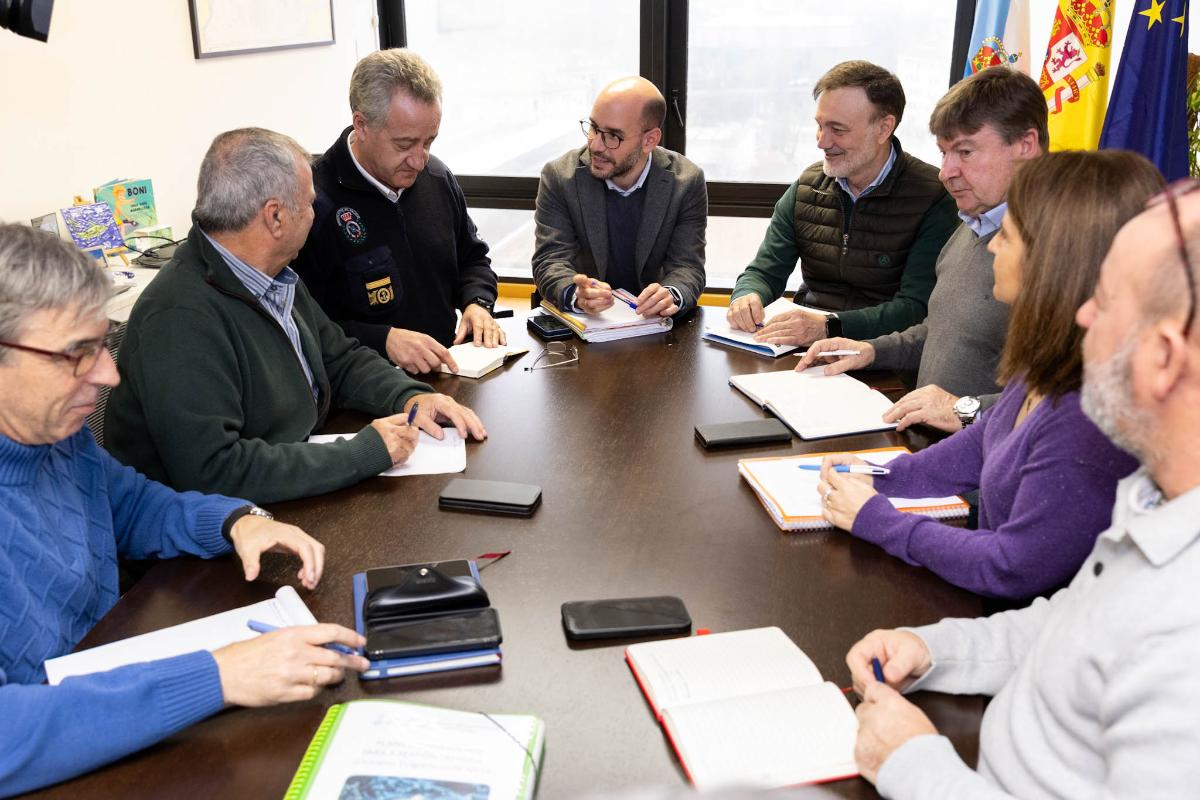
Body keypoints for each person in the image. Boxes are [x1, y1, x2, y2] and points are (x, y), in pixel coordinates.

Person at [843, 178, 1200, 799]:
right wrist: (935, 648)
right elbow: (1072, 630)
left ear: (1164, 358)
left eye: (1105, 298)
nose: (1081, 313)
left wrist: (912, 763)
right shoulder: (1154, 498)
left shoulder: (1184, 634)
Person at [0, 224, 368, 795]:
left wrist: (233, 521)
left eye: (101, 346)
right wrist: (220, 675)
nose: (108, 375)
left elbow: (127, 504)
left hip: (107, 697)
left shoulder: (57, 438)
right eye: (77, 353)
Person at [816, 151, 1158, 601]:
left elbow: (1011, 567)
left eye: (1008, 236)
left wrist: (878, 519)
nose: (993, 246)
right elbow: (984, 442)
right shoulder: (1050, 361)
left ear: (1054, 262)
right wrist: (879, 475)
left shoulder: (1086, 414)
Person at [105, 128, 486, 505]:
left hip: (287, 482)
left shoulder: (273, 275)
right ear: (275, 217)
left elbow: (340, 358)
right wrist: (360, 453)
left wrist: (411, 397)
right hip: (209, 530)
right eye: (309, 204)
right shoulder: (179, 317)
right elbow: (214, 470)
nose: (315, 215)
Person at [798, 66, 1046, 432]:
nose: (946, 172)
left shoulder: (1059, 250)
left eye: (965, 152)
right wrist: (872, 351)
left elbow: (1069, 399)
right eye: (944, 153)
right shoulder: (968, 227)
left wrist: (965, 410)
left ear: (1025, 145)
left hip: (986, 458)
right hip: (929, 444)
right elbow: (943, 332)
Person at [294, 49, 503, 374]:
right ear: (362, 125)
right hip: (364, 386)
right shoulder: (312, 202)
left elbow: (472, 259)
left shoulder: (437, 177)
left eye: (429, 142)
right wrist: (383, 340)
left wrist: (477, 303)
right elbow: (301, 323)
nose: (419, 161)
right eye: (404, 145)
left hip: (449, 372)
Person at [727, 60, 958, 346]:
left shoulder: (933, 197)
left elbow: (915, 308)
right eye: (819, 126)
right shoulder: (807, 186)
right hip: (802, 346)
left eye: (837, 129)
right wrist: (747, 296)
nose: (822, 142)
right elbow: (764, 271)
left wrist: (830, 326)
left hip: (881, 353)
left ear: (884, 128)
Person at [533, 76, 706, 318]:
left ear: (649, 140)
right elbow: (550, 260)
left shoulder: (686, 181)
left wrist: (671, 295)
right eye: (594, 128)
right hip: (584, 323)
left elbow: (687, 266)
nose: (596, 145)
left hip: (650, 321)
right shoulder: (560, 176)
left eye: (613, 136)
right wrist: (576, 295)